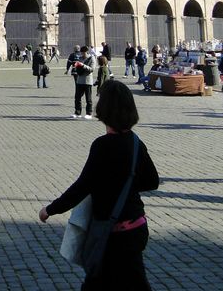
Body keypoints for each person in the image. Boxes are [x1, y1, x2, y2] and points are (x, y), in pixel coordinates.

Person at [39, 80, 159, 290]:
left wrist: (50, 209)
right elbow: (152, 181)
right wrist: (125, 183)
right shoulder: (135, 142)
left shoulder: (102, 146)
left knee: (99, 283)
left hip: (113, 233)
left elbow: (82, 187)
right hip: (136, 227)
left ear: (103, 109)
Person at [72, 46, 95, 119]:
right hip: (79, 81)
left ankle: (89, 113)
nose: (82, 54)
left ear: (87, 52)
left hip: (87, 81)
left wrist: (83, 65)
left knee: (88, 99)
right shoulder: (80, 58)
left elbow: (92, 69)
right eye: (81, 53)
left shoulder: (91, 58)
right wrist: (76, 66)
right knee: (77, 98)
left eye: (83, 53)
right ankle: (77, 112)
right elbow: (77, 68)